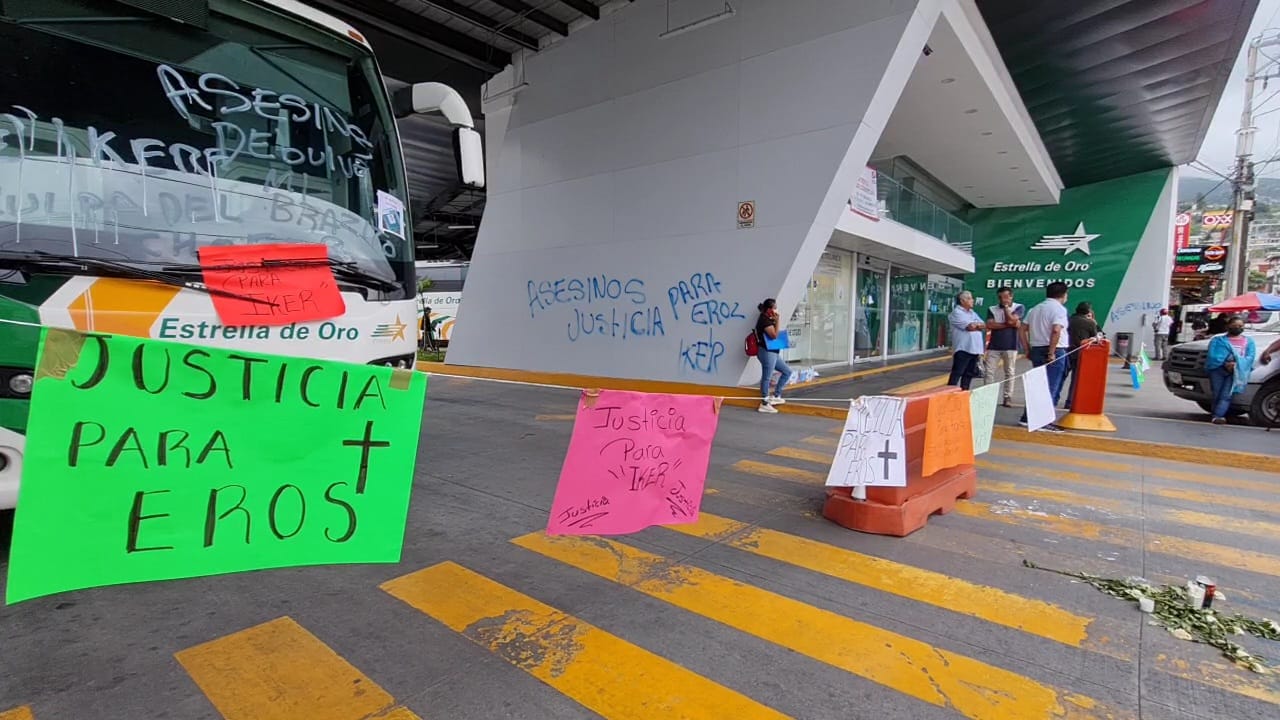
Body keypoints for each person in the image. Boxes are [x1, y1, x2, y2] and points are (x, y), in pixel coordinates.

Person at [1018, 282, 1071, 432]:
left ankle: (1027, 417)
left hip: (1036, 348)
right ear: (1063, 294)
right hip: (1054, 350)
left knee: (1037, 385)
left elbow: (1022, 330)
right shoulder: (1059, 309)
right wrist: (1052, 352)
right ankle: (1043, 421)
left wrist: (1027, 348)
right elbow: (1056, 330)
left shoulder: (1035, 309)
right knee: (1051, 386)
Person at [1205, 315, 1257, 425]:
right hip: (1218, 369)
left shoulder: (1249, 341)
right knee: (1217, 393)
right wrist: (1225, 363)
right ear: (1228, 326)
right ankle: (1215, 414)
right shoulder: (1217, 340)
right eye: (1235, 325)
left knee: (1226, 395)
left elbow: (1250, 357)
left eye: (1241, 326)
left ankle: (1218, 416)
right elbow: (1212, 355)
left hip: (1237, 371)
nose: (1238, 328)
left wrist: (1237, 364)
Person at [983, 286, 1024, 407]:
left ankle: (1007, 397)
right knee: (989, 371)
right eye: (1000, 297)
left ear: (1011, 296)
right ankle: (988, 395)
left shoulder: (1018, 307)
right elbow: (990, 325)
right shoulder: (992, 309)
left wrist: (1006, 308)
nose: (1002, 300)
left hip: (1011, 345)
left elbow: (1012, 320)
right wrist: (1009, 324)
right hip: (994, 345)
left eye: (1005, 297)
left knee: (1010, 372)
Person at [754, 298, 792, 414]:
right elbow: (774, 335)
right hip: (767, 352)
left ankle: (776, 395)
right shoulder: (764, 320)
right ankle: (764, 403)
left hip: (773, 352)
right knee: (767, 377)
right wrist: (778, 320)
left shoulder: (768, 319)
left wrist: (775, 320)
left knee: (787, 371)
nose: (776, 310)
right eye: (775, 307)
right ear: (769, 309)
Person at [1064, 302, 1101, 408]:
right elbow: (1095, 337)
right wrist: (1094, 322)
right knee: (1075, 379)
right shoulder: (1090, 323)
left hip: (1065, 351)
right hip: (1080, 353)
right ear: (1088, 312)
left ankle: (1053, 399)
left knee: (1060, 378)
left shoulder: (1068, 320)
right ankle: (1069, 402)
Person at [947, 291, 985, 390]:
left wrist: (976, 325)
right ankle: (949, 395)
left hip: (974, 349)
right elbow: (970, 327)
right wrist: (977, 325)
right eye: (970, 298)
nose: (972, 300)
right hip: (963, 348)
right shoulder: (957, 313)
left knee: (969, 374)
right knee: (957, 373)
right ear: (962, 301)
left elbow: (984, 325)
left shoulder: (973, 313)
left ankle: (964, 393)